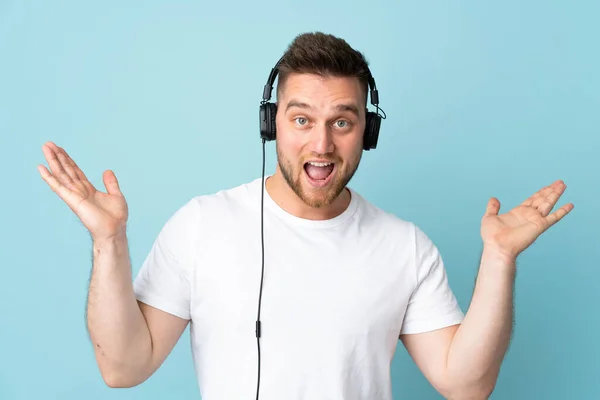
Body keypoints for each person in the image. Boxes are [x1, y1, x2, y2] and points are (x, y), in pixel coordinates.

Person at [37, 32, 573, 400]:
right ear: (273, 125)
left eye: (343, 121)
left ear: (369, 131)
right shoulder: (203, 224)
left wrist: (500, 259)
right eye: (301, 119)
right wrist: (109, 241)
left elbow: (467, 385)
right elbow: (123, 367)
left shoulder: (404, 245)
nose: (321, 144)